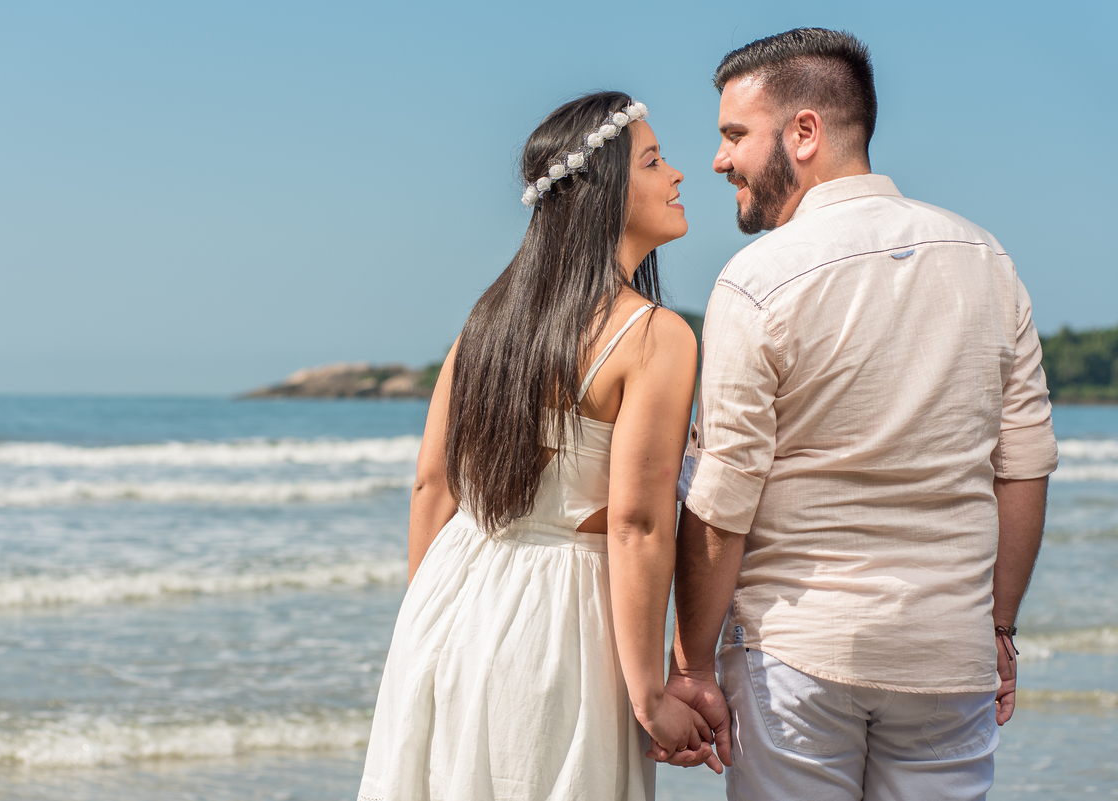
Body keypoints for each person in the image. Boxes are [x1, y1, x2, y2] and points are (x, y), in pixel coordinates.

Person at [659, 28, 1059, 800]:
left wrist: (693, 665)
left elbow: (723, 496)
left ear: (804, 132)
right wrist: (998, 626)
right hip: (949, 657)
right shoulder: (989, 260)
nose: (718, 159)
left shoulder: (756, 280)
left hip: (797, 658)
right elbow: (1024, 466)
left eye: (735, 134)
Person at [358, 91, 718, 801]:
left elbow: (433, 487)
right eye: (653, 160)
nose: (677, 175)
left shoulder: (486, 321)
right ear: (605, 193)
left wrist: (429, 627)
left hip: (448, 597)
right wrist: (650, 692)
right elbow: (639, 525)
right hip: (560, 617)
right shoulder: (654, 336)